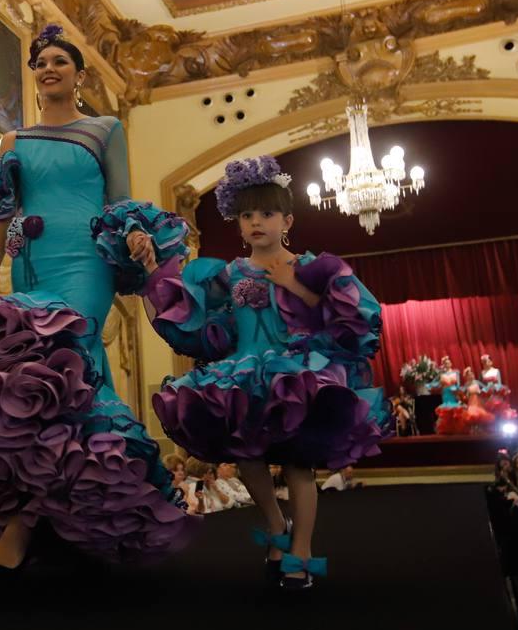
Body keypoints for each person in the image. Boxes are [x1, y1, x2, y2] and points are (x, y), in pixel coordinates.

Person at [0, 24, 196, 572]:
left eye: (60, 62)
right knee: (34, 374)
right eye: (40, 63)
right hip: (31, 261)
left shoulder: (105, 129)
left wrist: (136, 233)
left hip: (87, 258)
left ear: (78, 74)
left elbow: (119, 198)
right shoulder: (14, 140)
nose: (48, 69)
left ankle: (32, 522)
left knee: (75, 357)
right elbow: (1, 208)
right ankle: (68, 512)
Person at [143, 155, 385, 591]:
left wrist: (291, 284)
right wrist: (150, 272)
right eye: (247, 215)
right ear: (238, 223)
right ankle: (277, 526)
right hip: (244, 370)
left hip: (296, 370)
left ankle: (301, 552)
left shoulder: (309, 265)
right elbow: (200, 317)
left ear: (287, 219)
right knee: (246, 455)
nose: (257, 222)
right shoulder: (229, 272)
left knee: (298, 464)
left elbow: (345, 316)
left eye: (267, 214)